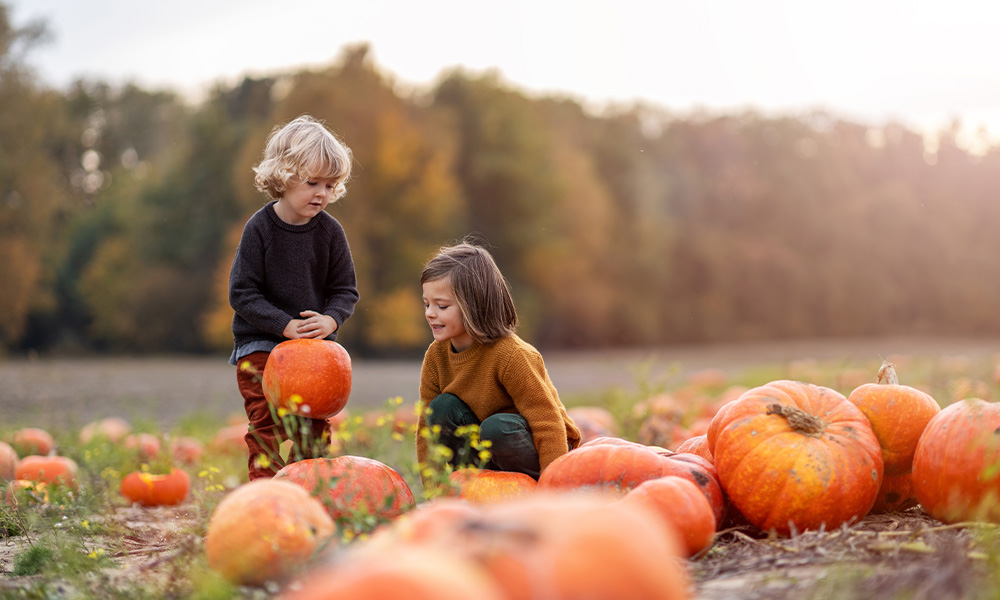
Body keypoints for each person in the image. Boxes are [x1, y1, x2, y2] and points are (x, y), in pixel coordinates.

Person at [229, 115, 359, 480]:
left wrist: (331, 319)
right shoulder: (260, 229)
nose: (322, 193)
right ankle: (265, 493)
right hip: (260, 344)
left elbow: (345, 290)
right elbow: (242, 293)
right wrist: (283, 325)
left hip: (314, 352)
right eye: (312, 182)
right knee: (265, 420)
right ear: (284, 178)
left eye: (331, 185)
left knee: (313, 428)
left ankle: (305, 487)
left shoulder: (331, 233)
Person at [416, 240, 581, 484]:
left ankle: (531, 484)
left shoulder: (511, 355)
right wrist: (434, 490)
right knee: (441, 409)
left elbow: (547, 423)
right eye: (427, 304)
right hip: (489, 451)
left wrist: (554, 486)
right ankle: (476, 483)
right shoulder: (435, 356)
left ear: (473, 305)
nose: (430, 313)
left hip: (540, 449)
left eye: (442, 306)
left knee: (497, 428)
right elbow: (427, 431)